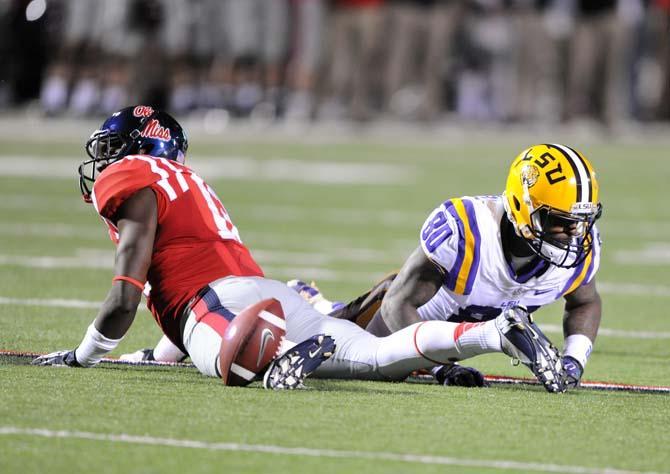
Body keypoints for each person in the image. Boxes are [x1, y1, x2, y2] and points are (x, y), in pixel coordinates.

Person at [32, 106, 570, 393]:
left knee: (227, 364)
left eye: (111, 152)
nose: (104, 165)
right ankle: (494, 333)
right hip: (258, 294)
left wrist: (83, 355)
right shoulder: (188, 184)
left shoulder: (136, 176)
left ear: (136, 151)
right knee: (380, 358)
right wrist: (152, 353)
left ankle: (277, 358)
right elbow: (174, 315)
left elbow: (127, 296)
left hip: (219, 305)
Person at [298, 143, 603, 391]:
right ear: (523, 207)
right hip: (402, 321)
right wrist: (439, 366)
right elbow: (396, 305)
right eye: (561, 222)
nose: (574, 234)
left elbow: (585, 301)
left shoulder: (579, 246)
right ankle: (311, 302)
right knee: (353, 357)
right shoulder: (467, 228)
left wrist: (574, 360)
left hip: (457, 330)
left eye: (580, 222)